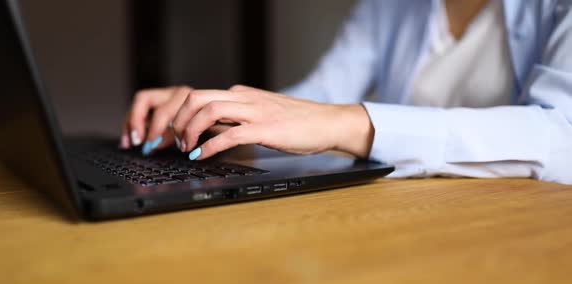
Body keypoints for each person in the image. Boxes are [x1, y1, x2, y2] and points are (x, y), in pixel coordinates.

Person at [119, 0, 572, 185]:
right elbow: (316, 97)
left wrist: (347, 122)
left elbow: (562, 135)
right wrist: (217, 114)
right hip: (407, 221)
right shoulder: (388, 5)